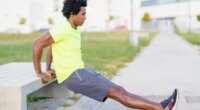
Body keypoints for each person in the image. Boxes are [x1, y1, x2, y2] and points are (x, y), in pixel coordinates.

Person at [32, 0, 178, 109]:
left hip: (79, 72)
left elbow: (52, 45)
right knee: (120, 94)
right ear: (72, 14)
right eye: (83, 14)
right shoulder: (64, 29)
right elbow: (38, 44)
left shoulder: (72, 28)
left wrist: (49, 67)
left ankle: (161, 106)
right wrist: (39, 72)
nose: (85, 17)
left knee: (120, 91)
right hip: (75, 75)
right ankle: (162, 107)